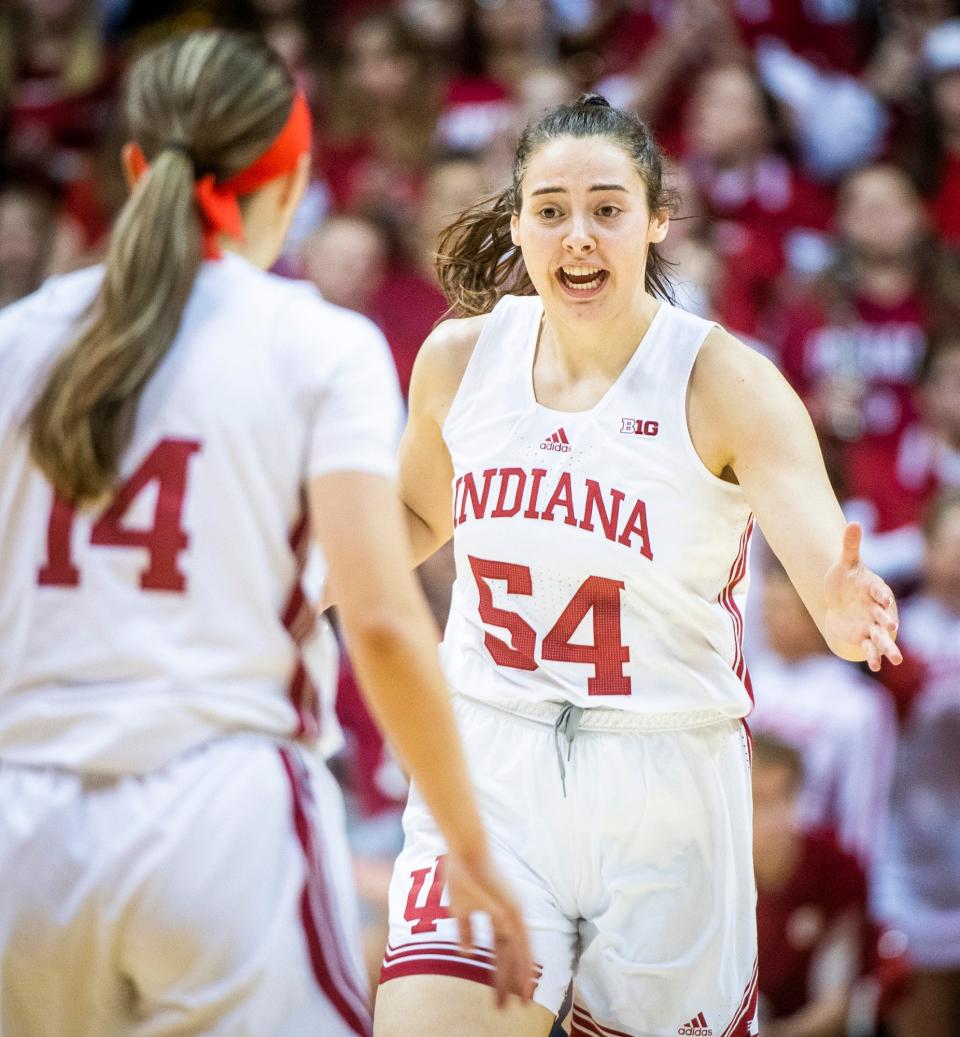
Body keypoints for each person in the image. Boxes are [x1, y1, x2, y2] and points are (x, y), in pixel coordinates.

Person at [0, 30, 532, 1037]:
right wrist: (468, 838)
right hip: (215, 807)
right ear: (292, 181)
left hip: (20, 823)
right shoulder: (319, 344)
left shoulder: (17, 340)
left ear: (130, 170)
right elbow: (379, 619)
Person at [373, 94, 902, 1037]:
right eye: (551, 209)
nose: (578, 235)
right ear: (519, 220)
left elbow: (825, 569)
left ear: (655, 220)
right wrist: (288, 575)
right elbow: (417, 510)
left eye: (608, 208)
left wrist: (844, 600)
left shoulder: (723, 379)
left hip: (665, 787)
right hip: (494, 760)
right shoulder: (459, 362)